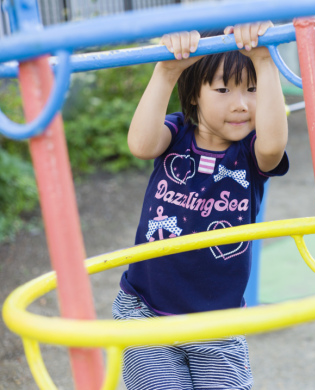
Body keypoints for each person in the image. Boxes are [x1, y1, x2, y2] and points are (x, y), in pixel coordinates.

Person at [112, 22, 288, 390]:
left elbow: (273, 147)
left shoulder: (250, 154)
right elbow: (141, 145)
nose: (241, 104)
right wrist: (167, 69)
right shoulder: (175, 135)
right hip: (146, 312)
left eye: (252, 90)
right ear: (194, 94)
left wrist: (264, 61)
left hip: (217, 322)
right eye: (224, 90)